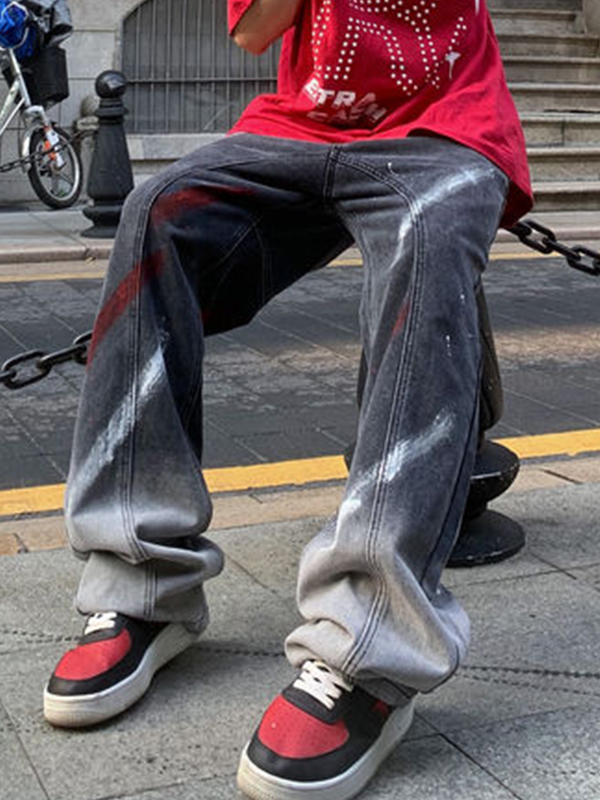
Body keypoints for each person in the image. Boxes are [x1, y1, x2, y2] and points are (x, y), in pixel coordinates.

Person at [43, 1, 532, 798]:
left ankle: (372, 645)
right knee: (156, 215)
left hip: (444, 130)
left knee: (429, 236)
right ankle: (141, 583)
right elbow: (252, 31)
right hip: (298, 129)